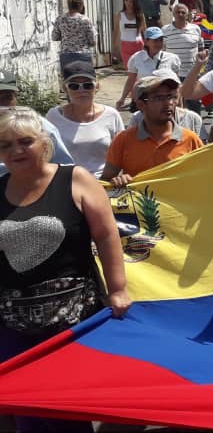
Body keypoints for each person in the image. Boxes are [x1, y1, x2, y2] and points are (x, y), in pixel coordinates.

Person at [0, 107, 131, 432]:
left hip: (71, 323)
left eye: (25, 141)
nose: (16, 150)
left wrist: (117, 289)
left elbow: (106, 235)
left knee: (67, 409)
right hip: (11, 325)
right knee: (25, 407)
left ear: (43, 143)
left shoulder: (75, 178)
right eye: (5, 144)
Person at [102, 75, 203, 186]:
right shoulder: (124, 140)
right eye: (158, 98)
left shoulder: (190, 139)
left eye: (171, 97)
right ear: (141, 105)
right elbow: (106, 181)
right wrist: (117, 181)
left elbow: (205, 177)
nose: (168, 103)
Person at [45, 62, 124, 178]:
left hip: (104, 180)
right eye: (74, 86)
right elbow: (46, 153)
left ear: (97, 87)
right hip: (67, 181)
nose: (81, 90)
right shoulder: (54, 116)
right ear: (65, 89)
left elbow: (122, 151)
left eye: (88, 85)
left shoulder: (112, 115)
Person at [0, 72, 76, 176]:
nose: (1, 104)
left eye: (7, 97)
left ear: (16, 98)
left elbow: (64, 170)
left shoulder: (38, 126)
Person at [116, 27, 181, 110]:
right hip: (145, 102)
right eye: (155, 40)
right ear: (146, 41)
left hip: (166, 102)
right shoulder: (136, 58)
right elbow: (131, 80)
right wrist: (122, 98)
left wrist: (179, 103)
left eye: (161, 40)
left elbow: (177, 83)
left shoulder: (172, 58)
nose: (159, 43)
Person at [161, 3, 203, 112]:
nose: (180, 14)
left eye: (183, 12)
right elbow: (162, 51)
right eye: (177, 12)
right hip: (173, 74)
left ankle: (194, 127)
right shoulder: (165, 30)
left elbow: (201, 48)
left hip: (192, 73)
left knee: (194, 105)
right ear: (173, 14)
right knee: (174, 104)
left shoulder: (196, 29)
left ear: (187, 14)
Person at [52, 0, 97, 70]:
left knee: (66, 80)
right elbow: (93, 41)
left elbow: (54, 37)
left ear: (69, 5)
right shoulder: (85, 20)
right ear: (81, 5)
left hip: (66, 57)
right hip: (83, 57)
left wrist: (65, 36)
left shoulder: (60, 19)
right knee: (89, 79)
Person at [113, 0, 146, 67]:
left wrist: (147, 45)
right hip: (125, 46)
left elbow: (145, 30)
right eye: (126, 0)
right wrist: (114, 45)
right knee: (129, 69)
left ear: (135, 2)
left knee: (139, 69)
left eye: (131, 1)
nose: (128, 3)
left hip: (138, 45)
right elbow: (115, 30)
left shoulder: (140, 15)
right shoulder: (120, 14)